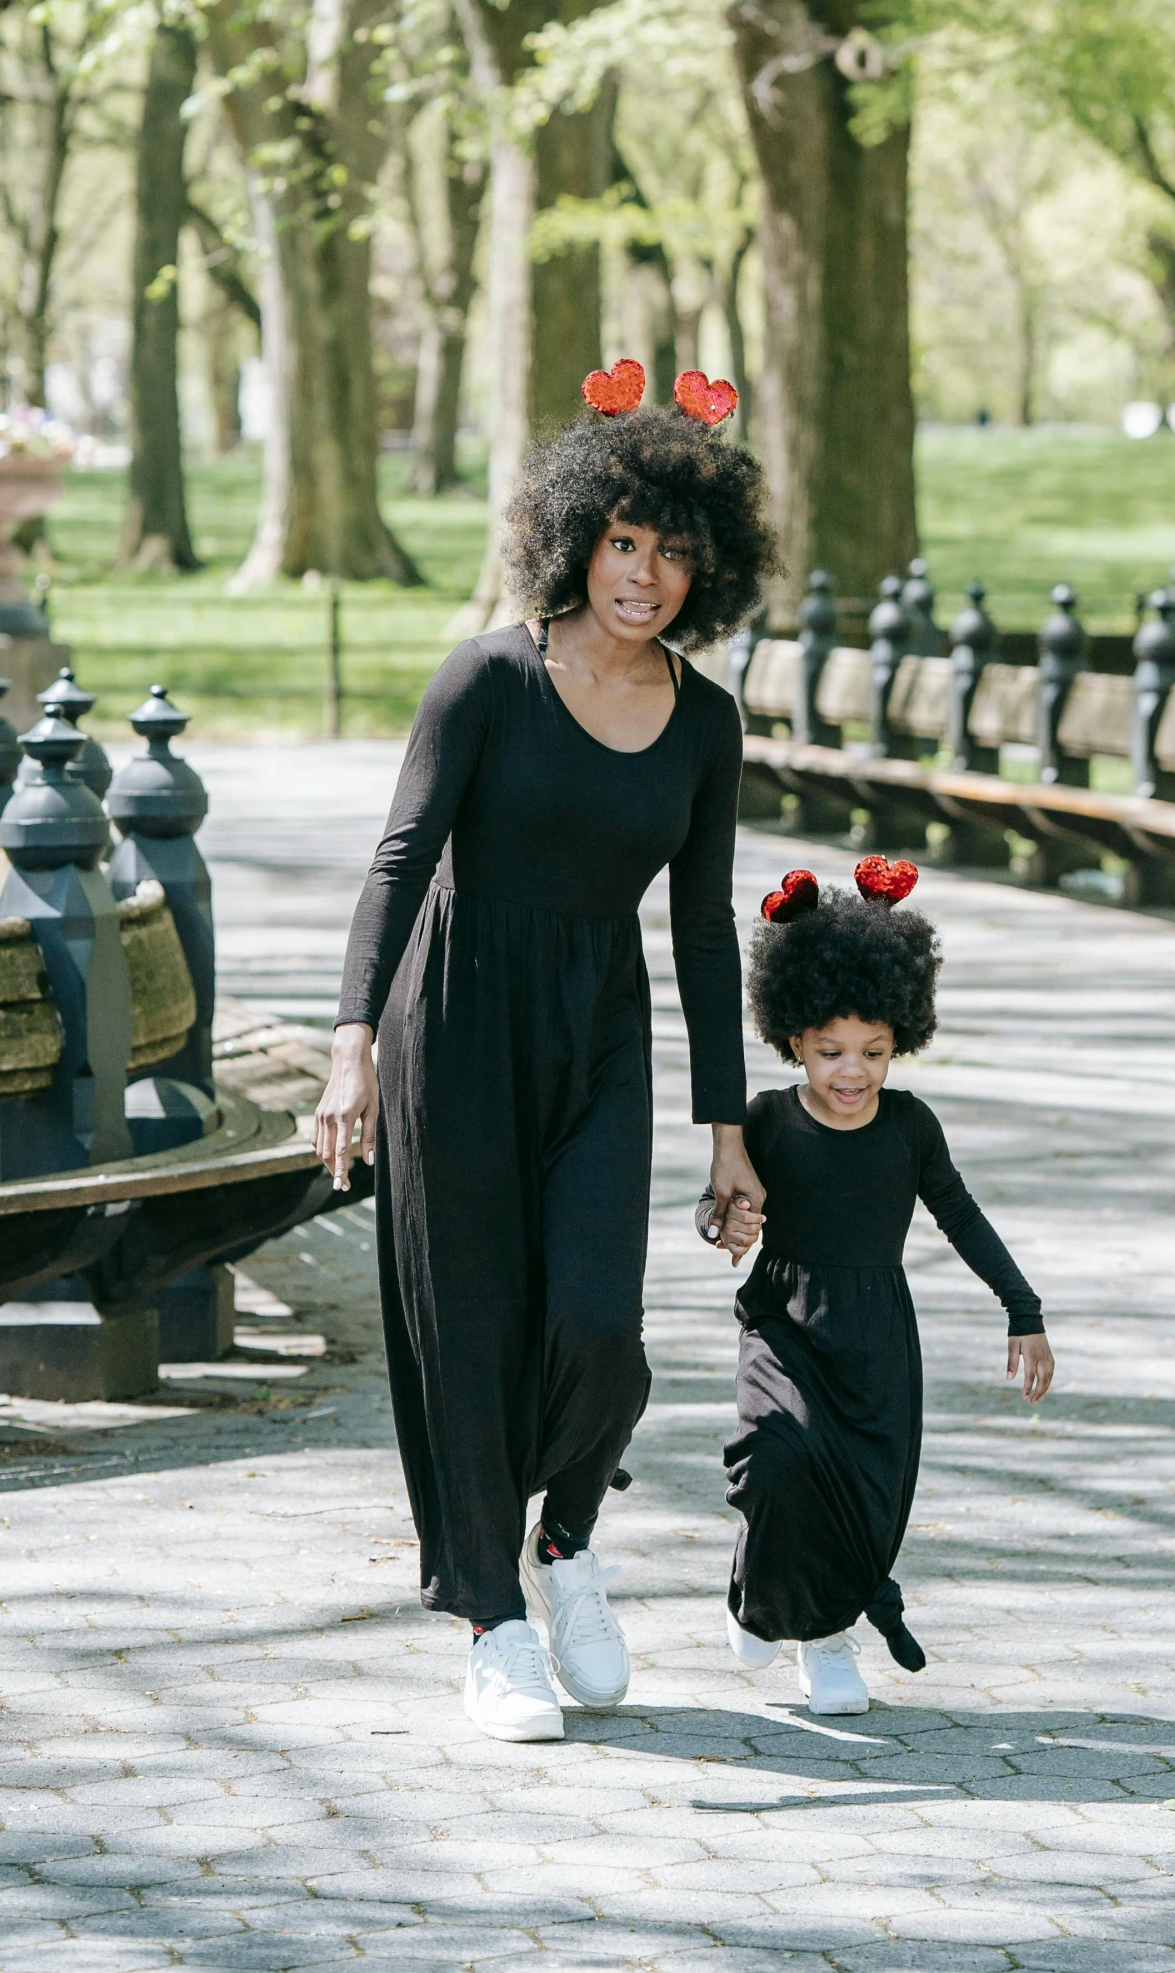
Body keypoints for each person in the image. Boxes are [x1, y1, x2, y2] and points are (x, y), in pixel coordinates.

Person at [315, 358, 778, 1743]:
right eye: (622, 541)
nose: (641, 574)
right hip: (451, 1018)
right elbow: (398, 863)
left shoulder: (703, 720)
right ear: (573, 536)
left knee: (595, 1324)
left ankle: (566, 1539)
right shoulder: (485, 679)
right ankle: (490, 1620)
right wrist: (352, 1050)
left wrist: (728, 1130)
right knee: (468, 1329)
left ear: (709, 570)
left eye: (671, 552)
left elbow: (702, 930)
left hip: (595, 1032)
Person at [699, 857, 1053, 1716]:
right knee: (778, 1462)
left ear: (902, 1039)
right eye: (829, 1053)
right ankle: (758, 1594)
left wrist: (1023, 1310)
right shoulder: (766, 1120)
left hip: (875, 1334)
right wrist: (726, 1224)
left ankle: (825, 1643)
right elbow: (715, 1204)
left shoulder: (910, 1127)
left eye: (873, 1052)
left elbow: (961, 1218)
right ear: (792, 1041)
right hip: (783, 1320)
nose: (851, 1072)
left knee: (859, 1497)